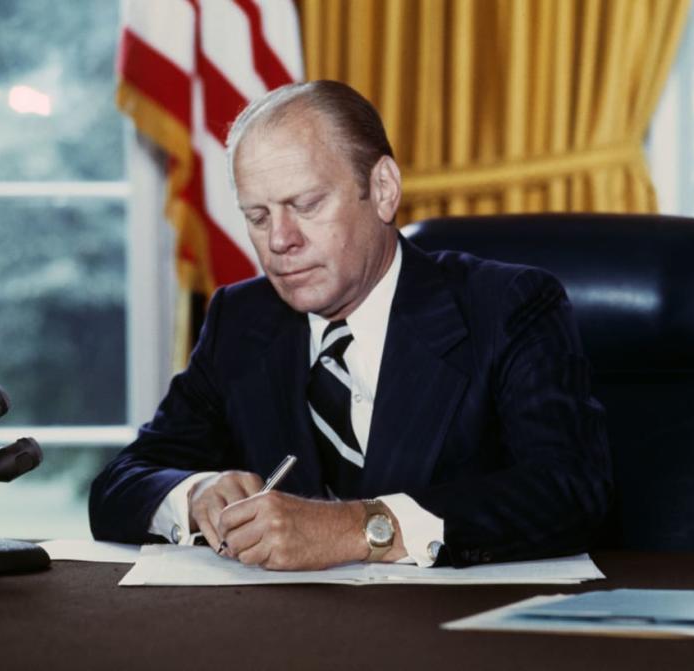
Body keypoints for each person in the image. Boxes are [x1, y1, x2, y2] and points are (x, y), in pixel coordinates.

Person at [89, 80, 612, 570]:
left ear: (383, 189)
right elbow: (119, 485)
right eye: (258, 216)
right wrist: (195, 493)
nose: (280, 240)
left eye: (307, 204)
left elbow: (569, 490)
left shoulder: (507, 306)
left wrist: (357, 529)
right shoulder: (241, 320)